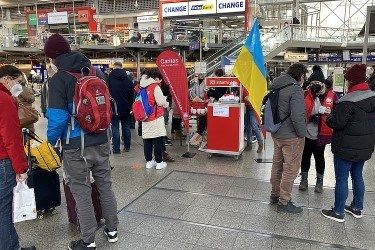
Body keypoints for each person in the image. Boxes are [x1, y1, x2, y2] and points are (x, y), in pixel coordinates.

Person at [44, 34, 118, 250]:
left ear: (52, 58)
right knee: (105, 185)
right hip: (102, 139)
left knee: (81, 191)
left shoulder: (58, 80)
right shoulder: (96, 72)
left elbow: (57, 119)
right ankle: (112, 229)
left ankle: (88, 240)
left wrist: (49, 142)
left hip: (76, 146)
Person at [321, 64, 375, 222]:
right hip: (365, 146)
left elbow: (337, 123)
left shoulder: (347, 102)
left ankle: (338, 212)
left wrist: (329, 117)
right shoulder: (372, 96)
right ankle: (357, 208)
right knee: (358, 176)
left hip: (345, 147)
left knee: (342, 179)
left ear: (350, 82)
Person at [0, 65, 36, 250]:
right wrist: (21, 168)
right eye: (18, 82)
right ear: (7, 79)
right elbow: (11, 138)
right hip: (3, 161)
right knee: (3, 212)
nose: (19, 86)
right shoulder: (5, 100)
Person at [269, 63, 307, 214]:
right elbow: (298, 116)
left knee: (277, 166)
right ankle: (284, 202)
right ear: (301, 76)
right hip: (291, 136)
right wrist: (302, 133)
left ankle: (274, 195)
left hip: (277, 133)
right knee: (290, 169)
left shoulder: (275, 85)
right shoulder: (296, 89)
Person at [299, 67, 335, 193]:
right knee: (305, 156)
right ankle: (304, 179)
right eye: (312, 83)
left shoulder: (330, 96)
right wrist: (311, 117)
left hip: (322, 133)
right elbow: (299, 114)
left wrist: (328, 115)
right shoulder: (305, 95)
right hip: (307, 133)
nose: (315, 86)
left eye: (317, 84)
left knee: (319, 157)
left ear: (322, 84)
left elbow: (335, 114)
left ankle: (320, 181)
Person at [140, 70, 169, 170]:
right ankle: (159, 163)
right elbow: (161, 102)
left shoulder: (141, 87)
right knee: (158, 140)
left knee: (147, 140)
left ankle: (149, 162)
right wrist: (167, 104)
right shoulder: (154, 86)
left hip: (145, 118)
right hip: (155, 117)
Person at [108, 61, 134, 153]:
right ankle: (127, 147)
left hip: (113, 108)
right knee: (126, 127)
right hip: (126, 107)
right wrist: (130, 105)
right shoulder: (128, 79)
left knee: (115, 128)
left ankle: (116, 149)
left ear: (114, 68)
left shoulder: (109, 79)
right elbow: (132, 95)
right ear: (122, 67)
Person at [152, 70, 175, 162]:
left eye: (157, 79)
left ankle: (157, 156)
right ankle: (159, 157)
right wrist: (165, 103)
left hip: (157, 113)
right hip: (155, 114)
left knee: (159, 133)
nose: (156, 80)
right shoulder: (153, 87)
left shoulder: (162, 86)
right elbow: (161, 102)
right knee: (157, 136)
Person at [243, 88, 263, 153]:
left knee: (254, 126)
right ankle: (249, 144)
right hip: (247, 107)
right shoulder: (244, 86)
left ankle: (260, 144)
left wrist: (249, 98)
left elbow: (258, 97)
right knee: (247, 126)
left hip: (253, 108)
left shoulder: (253, 85)